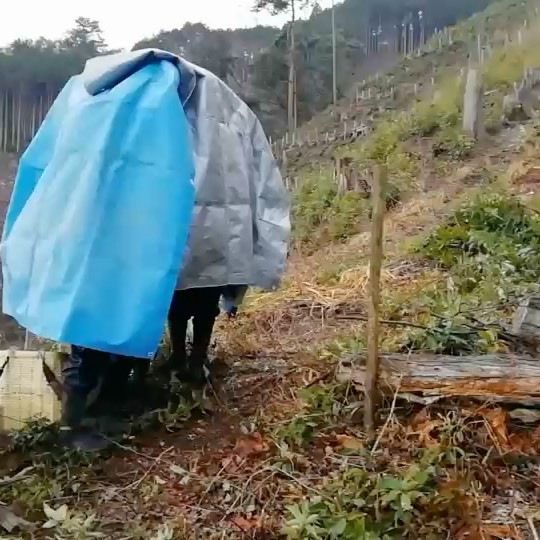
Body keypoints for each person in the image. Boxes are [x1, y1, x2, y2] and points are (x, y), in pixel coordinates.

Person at [57, 49, 290, 450]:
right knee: (94, 337)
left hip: (140, 253)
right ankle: (78, 425)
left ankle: (114, 406)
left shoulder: (201, 124)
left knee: (130, 331)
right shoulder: (116, 128)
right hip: (107, 253)